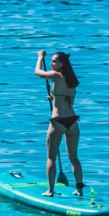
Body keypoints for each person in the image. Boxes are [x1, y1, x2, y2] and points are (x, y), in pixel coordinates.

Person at [34, 50, 84, 197]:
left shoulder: (55, 75)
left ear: (62, 64)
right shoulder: (72, 80)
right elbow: (66, 99)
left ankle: (50, 190)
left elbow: (38, 72)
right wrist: (54, 98)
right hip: (72, 121)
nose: (51, 63)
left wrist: (40, 57)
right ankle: (79, 189)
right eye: (50, 60)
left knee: (51, 157)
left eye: (54, 61)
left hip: (58, 122)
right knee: (74, 158)